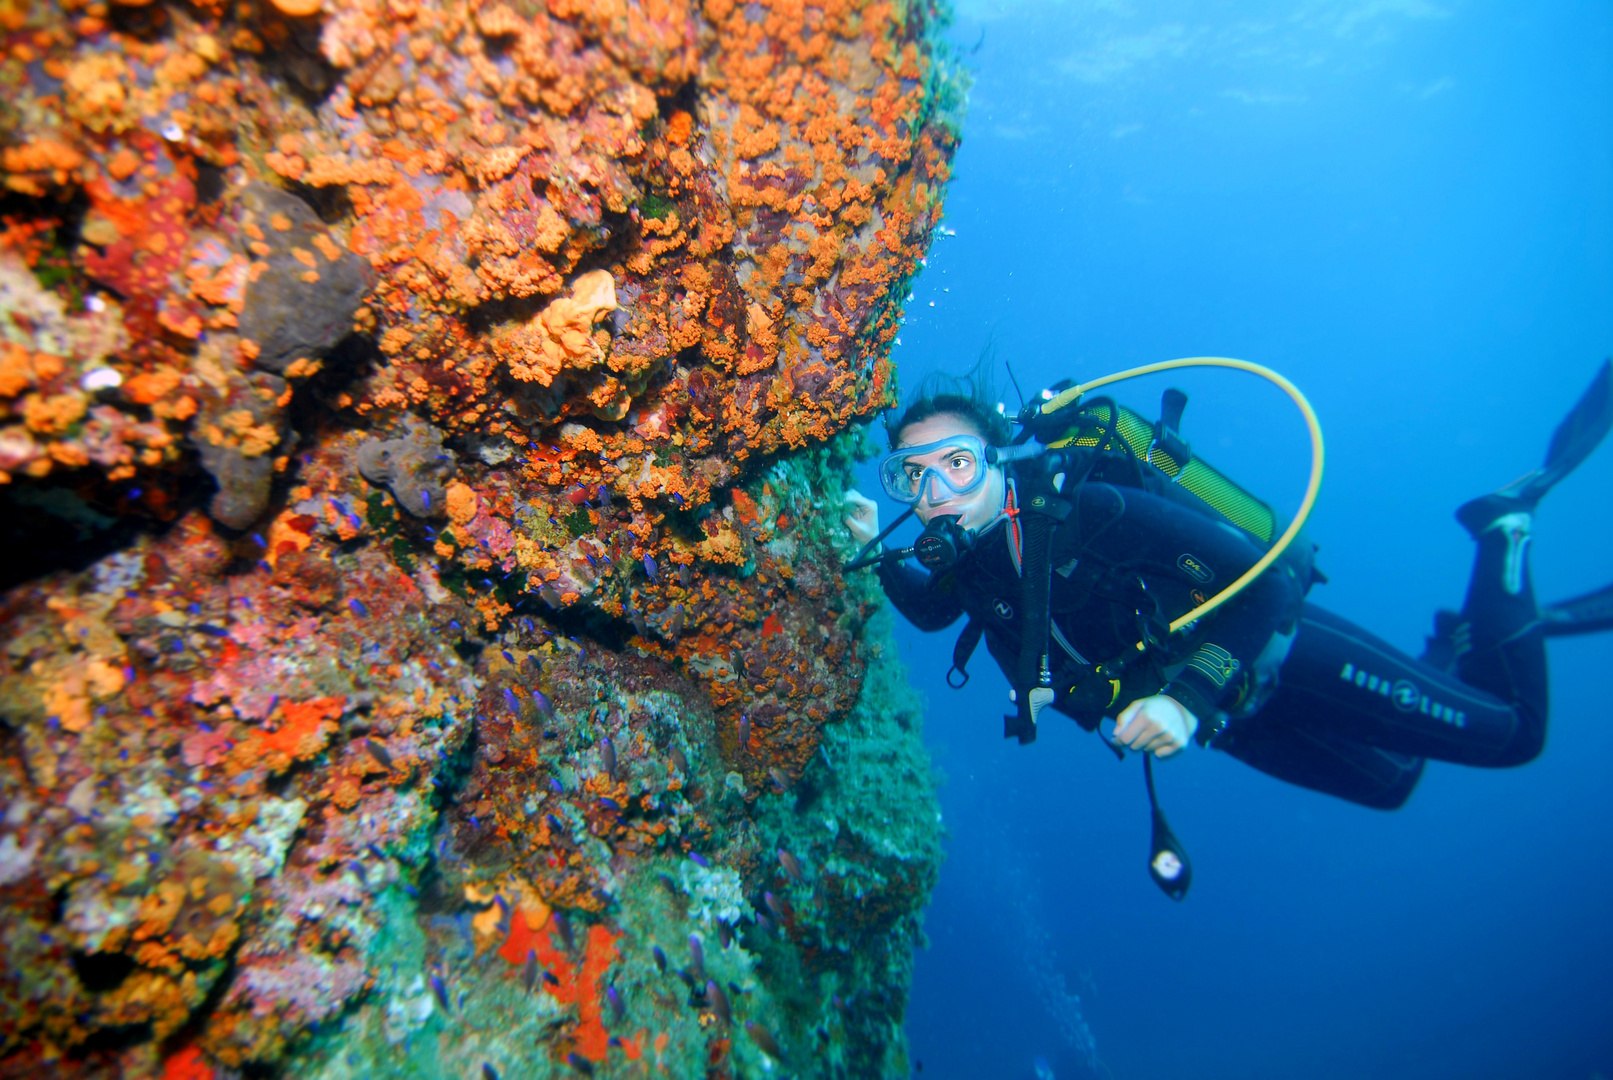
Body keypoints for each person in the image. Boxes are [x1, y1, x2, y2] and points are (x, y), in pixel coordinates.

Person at [843, 361, 1613, 819]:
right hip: (1239, 722)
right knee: (1393, 786)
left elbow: (1267, 584)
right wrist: (871, 549)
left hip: (1283, 657)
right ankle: (1453, 643)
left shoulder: (1090, 509)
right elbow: (938, 608)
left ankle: (1502, 528)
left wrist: (1183, 701)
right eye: (911, 475)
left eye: (956, 463)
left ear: (998, 461)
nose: (934, 490)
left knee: (1513, 736)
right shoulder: (971, 560)